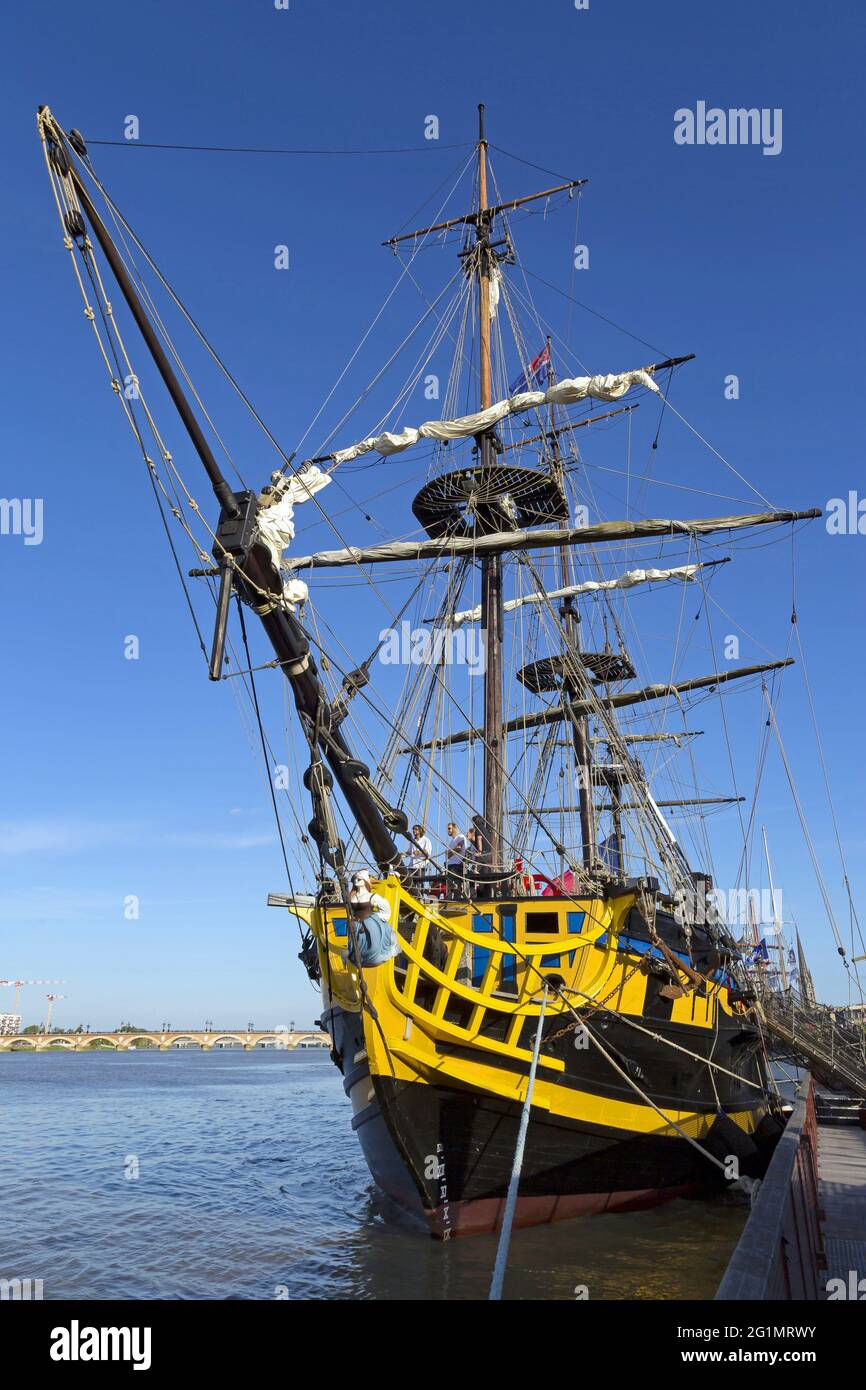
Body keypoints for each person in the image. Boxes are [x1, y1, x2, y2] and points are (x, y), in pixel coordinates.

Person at [345, 870, 398, 967]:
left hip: (368, 926)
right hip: (355, 926)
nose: (356, 881)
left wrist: (376, 919)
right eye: (355, 879)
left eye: (359, 879)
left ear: (365, 881)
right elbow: (349, 911)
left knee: (371, 948)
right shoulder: (352, 897)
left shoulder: (372, 897)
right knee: (355, 951)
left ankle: (371, 959)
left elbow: (386, 908)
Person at [445, 821, 470, 897]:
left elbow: (459, 848)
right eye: (448, 829)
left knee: (456, 884)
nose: (448, 830)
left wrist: (450, 852)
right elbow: (448, 856)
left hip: (456, 864)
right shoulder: (452, 841)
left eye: (449, 828)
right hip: (451, 864)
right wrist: (450, 853)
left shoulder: (460, 837)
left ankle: (457, 898)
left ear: (454, 829)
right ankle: (451, 900)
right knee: (450, 885)